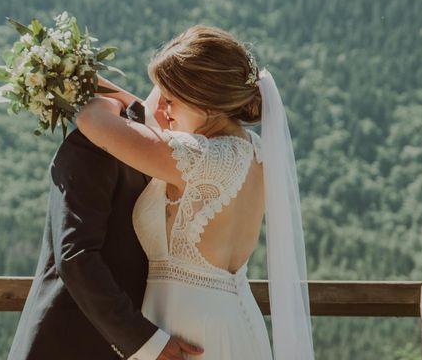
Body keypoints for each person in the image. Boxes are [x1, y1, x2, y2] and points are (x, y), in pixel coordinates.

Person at [77, 25, 315, 359]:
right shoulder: (256, 152)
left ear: (204, 102)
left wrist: (89, 94)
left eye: (171, 98)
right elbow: (151, 123)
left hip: (189, 328)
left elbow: (92, 121)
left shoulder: (196, 157)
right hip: (236, 319)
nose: (164, 109)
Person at [7, 85, 202, 360]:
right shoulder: (94, 143)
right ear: (167, 105)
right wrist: (143, 340)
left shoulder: (167, 153)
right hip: (70, 344)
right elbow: (76, 256)